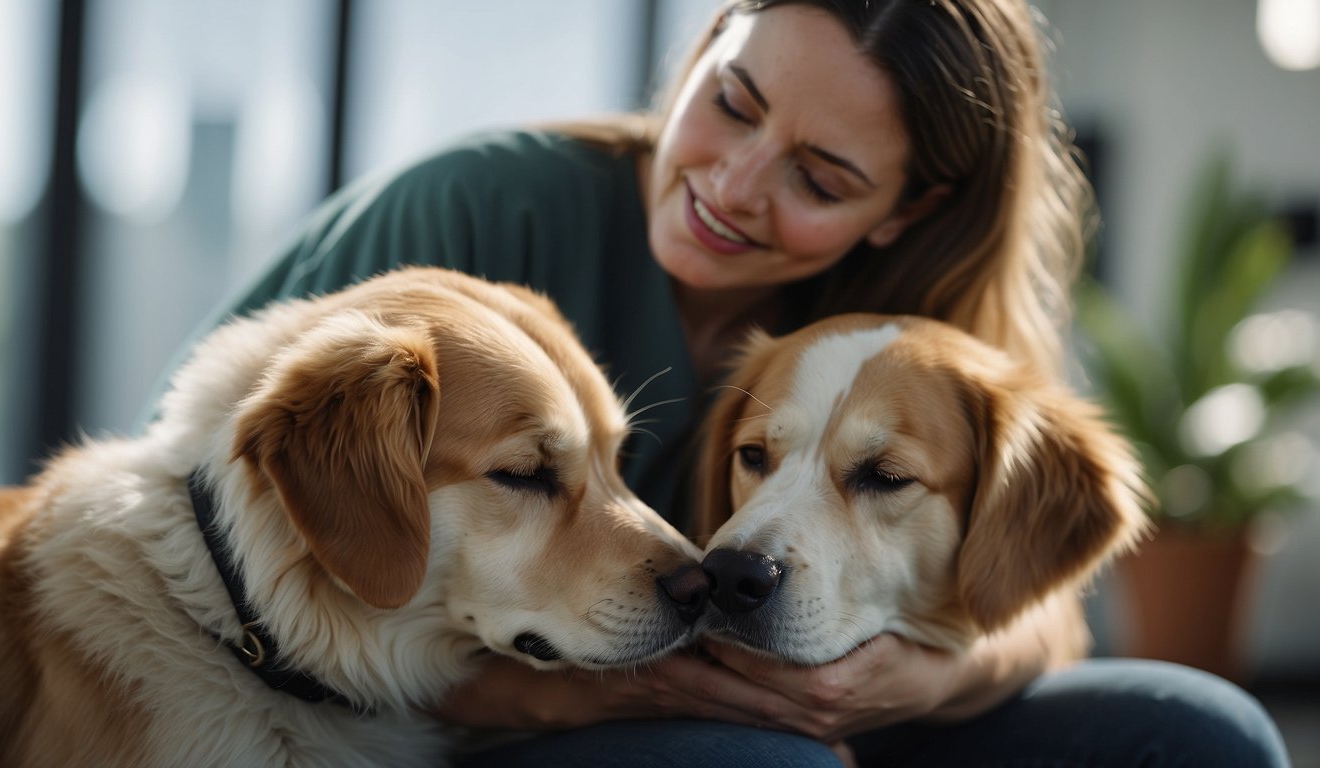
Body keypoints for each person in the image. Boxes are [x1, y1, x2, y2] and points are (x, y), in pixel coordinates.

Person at [166, 1, 1290, 765]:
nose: (734, 185)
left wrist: (921, 683)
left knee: (1195, 732)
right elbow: (203, 573)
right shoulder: (473, 211)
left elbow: (1042, 615)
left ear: (904, 211)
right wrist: (567, 693)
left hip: (815, 704)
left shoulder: (918, 344)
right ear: (703, 47)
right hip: (456, 719)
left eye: (818, 174)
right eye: (734, 102)